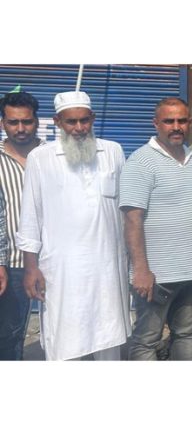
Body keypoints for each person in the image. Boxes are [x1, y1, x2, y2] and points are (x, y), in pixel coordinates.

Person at [16, 91, 131, 360]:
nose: (79, 128)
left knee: (109, 339)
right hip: (62, 271)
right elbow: (30, 215)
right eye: (71, 122)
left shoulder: (112, 151)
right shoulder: (40, 158)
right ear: (57, 122)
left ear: (92, 118)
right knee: (65, 343)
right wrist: (31, 268)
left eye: (84, 120)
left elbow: (127, 211)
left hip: (108, 270)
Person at [120, 97, 192, 361]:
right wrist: (141, 270)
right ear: (156, 123)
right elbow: (132, 220)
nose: (176, 126)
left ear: (189, 122)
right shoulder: (141, 162)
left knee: (186, 334)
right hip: (157, 276)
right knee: (147, 340)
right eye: (169, 121)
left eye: (182, 120)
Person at [0, 91, 44, 360]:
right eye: (13, 122)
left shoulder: (52, 155)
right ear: (2, 122)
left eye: (26, 122)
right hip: (11, 264)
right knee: (9, 334)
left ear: (37, 121)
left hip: (52, 260)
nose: (20, 128)